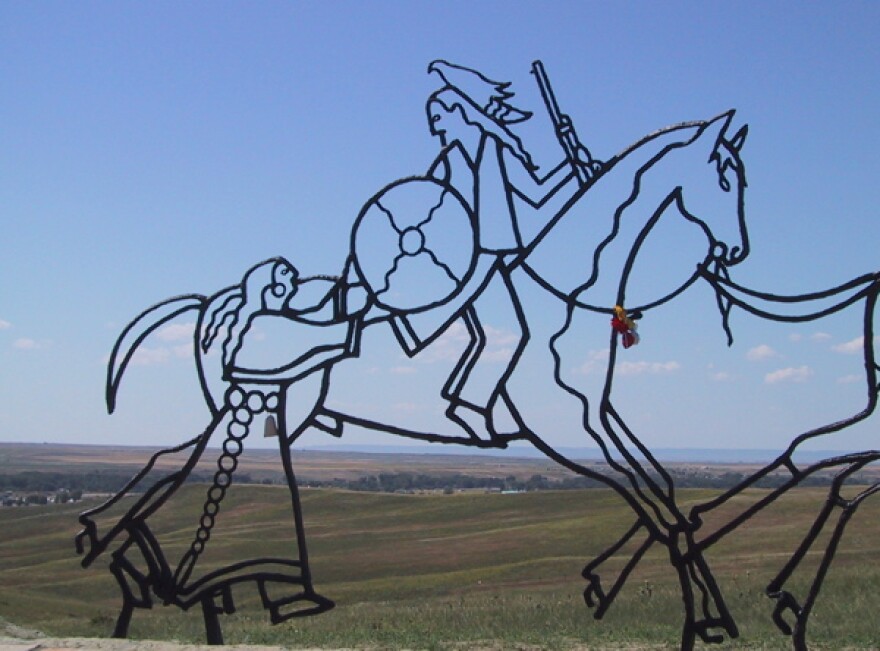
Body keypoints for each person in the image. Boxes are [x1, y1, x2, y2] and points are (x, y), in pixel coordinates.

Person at [389, 60, 589, 444]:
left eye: (439, 115)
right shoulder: (448, 162)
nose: (434, 126)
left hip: (491, 255)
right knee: (505, 332)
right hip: (469, 259)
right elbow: (428, 208)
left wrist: (574, 164)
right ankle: (465, 402)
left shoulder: (494, 150)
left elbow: (536, 196)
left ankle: (468, 404)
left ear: (459, 111)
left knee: (511, 333)